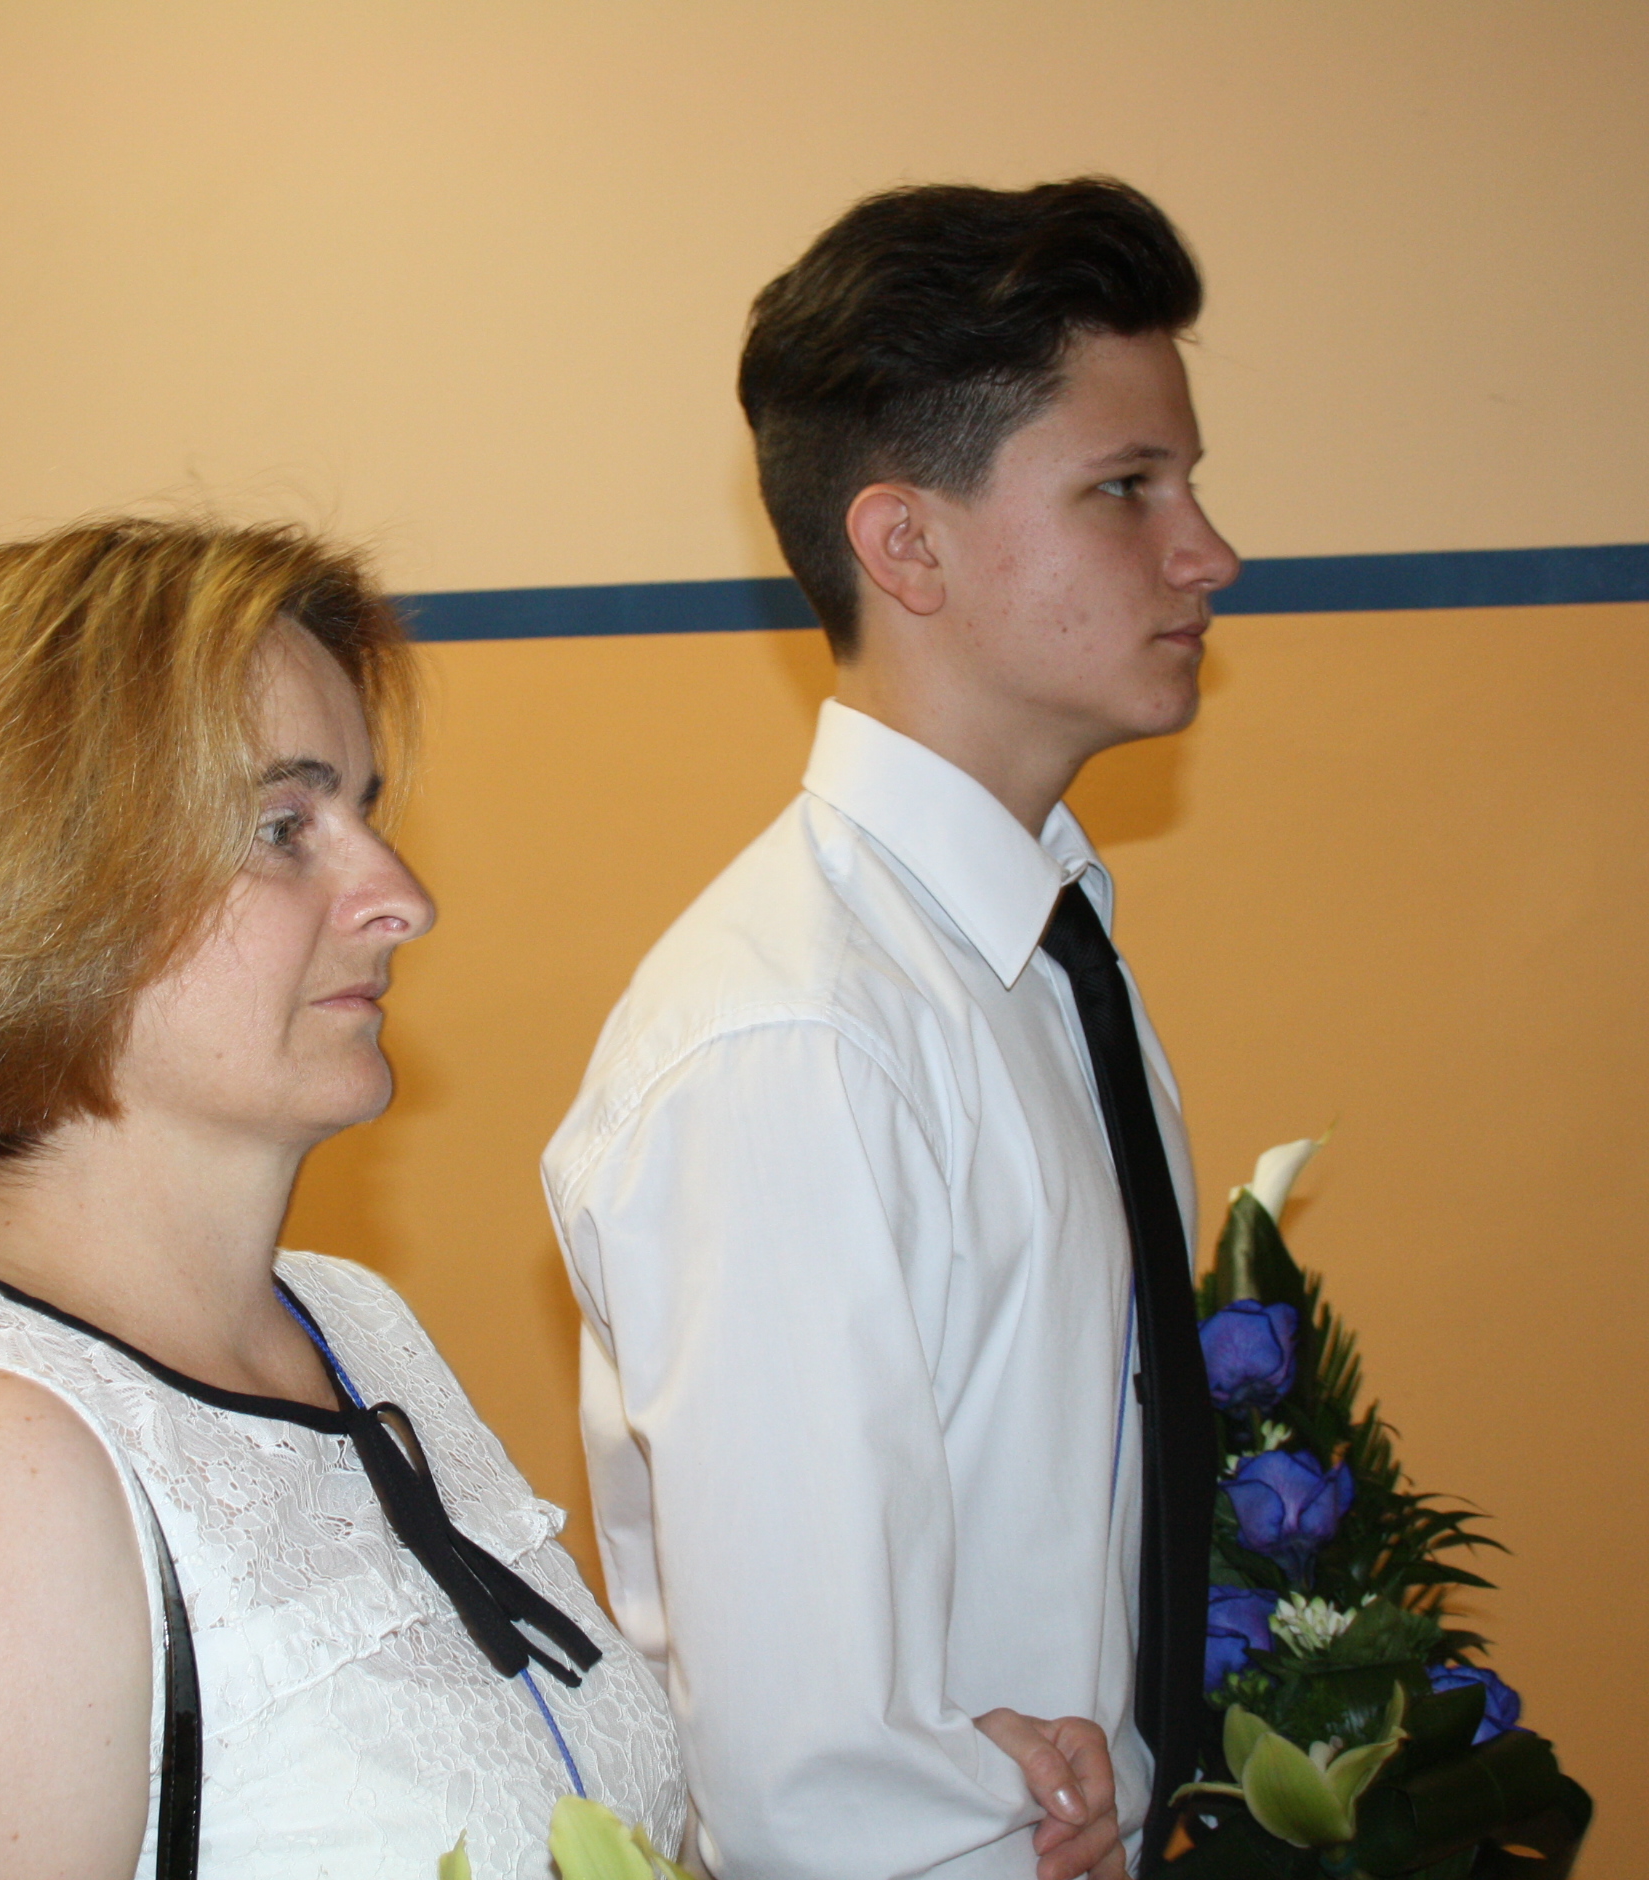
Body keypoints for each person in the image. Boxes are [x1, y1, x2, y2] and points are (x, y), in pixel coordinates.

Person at [0, 518, 684, 1878]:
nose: (401, 898)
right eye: (283, 828)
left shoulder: (349, 1320)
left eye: (365, 810)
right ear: (32, 885)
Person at [542, 179, 1243, 1880]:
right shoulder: (795, 1044)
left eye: (1188, 483)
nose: (1208, 552)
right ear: (905, 544)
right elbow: (815, 1788)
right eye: (1126, 489)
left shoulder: (1044, 947)